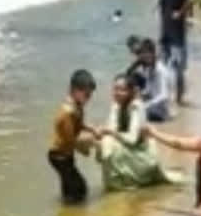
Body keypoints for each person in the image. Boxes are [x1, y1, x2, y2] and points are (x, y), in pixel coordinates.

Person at [95, 73, 176, 191]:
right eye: (115, 89)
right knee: (100, 142)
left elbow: (132, 139)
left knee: (107, 143)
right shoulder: (116, 105)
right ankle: (115, 181)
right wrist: (101, 132)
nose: (117, 93)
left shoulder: (136, 107)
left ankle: (122, 183)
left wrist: (109, 132)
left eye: (122, 90)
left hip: (141, 154)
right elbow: (112, 127)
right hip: (128, 149)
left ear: (131, 92)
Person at [48, 69, 99, 204]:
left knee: (69, 187)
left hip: (65, 154)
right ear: (73, 90)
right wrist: (90, 144)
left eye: (90, 95)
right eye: (86, 94)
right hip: (59, 156)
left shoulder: (76, 106)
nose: (88, 98)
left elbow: (79, 124)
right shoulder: (67, 113)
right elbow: (70, 140)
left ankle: (67, 211)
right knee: (80, 188)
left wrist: (91, 129)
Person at [155, 0, 190, 105]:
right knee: (162, 67)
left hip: (177, 35)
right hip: (166, 34)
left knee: (178, 69)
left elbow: (190, 0)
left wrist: (179, 14)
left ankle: (179, 99)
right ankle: (166, 96)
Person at [134, 38, 171, 122]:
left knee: (134, 114)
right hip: (153, 106)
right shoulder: (149, 68)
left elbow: (164, 95)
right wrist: (140, 95)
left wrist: (146, 105)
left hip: (160, 112)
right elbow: (149, 90)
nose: (145, 55)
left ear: (153, 53)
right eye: (143, 53)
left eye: (148, 53)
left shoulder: (160, 70)